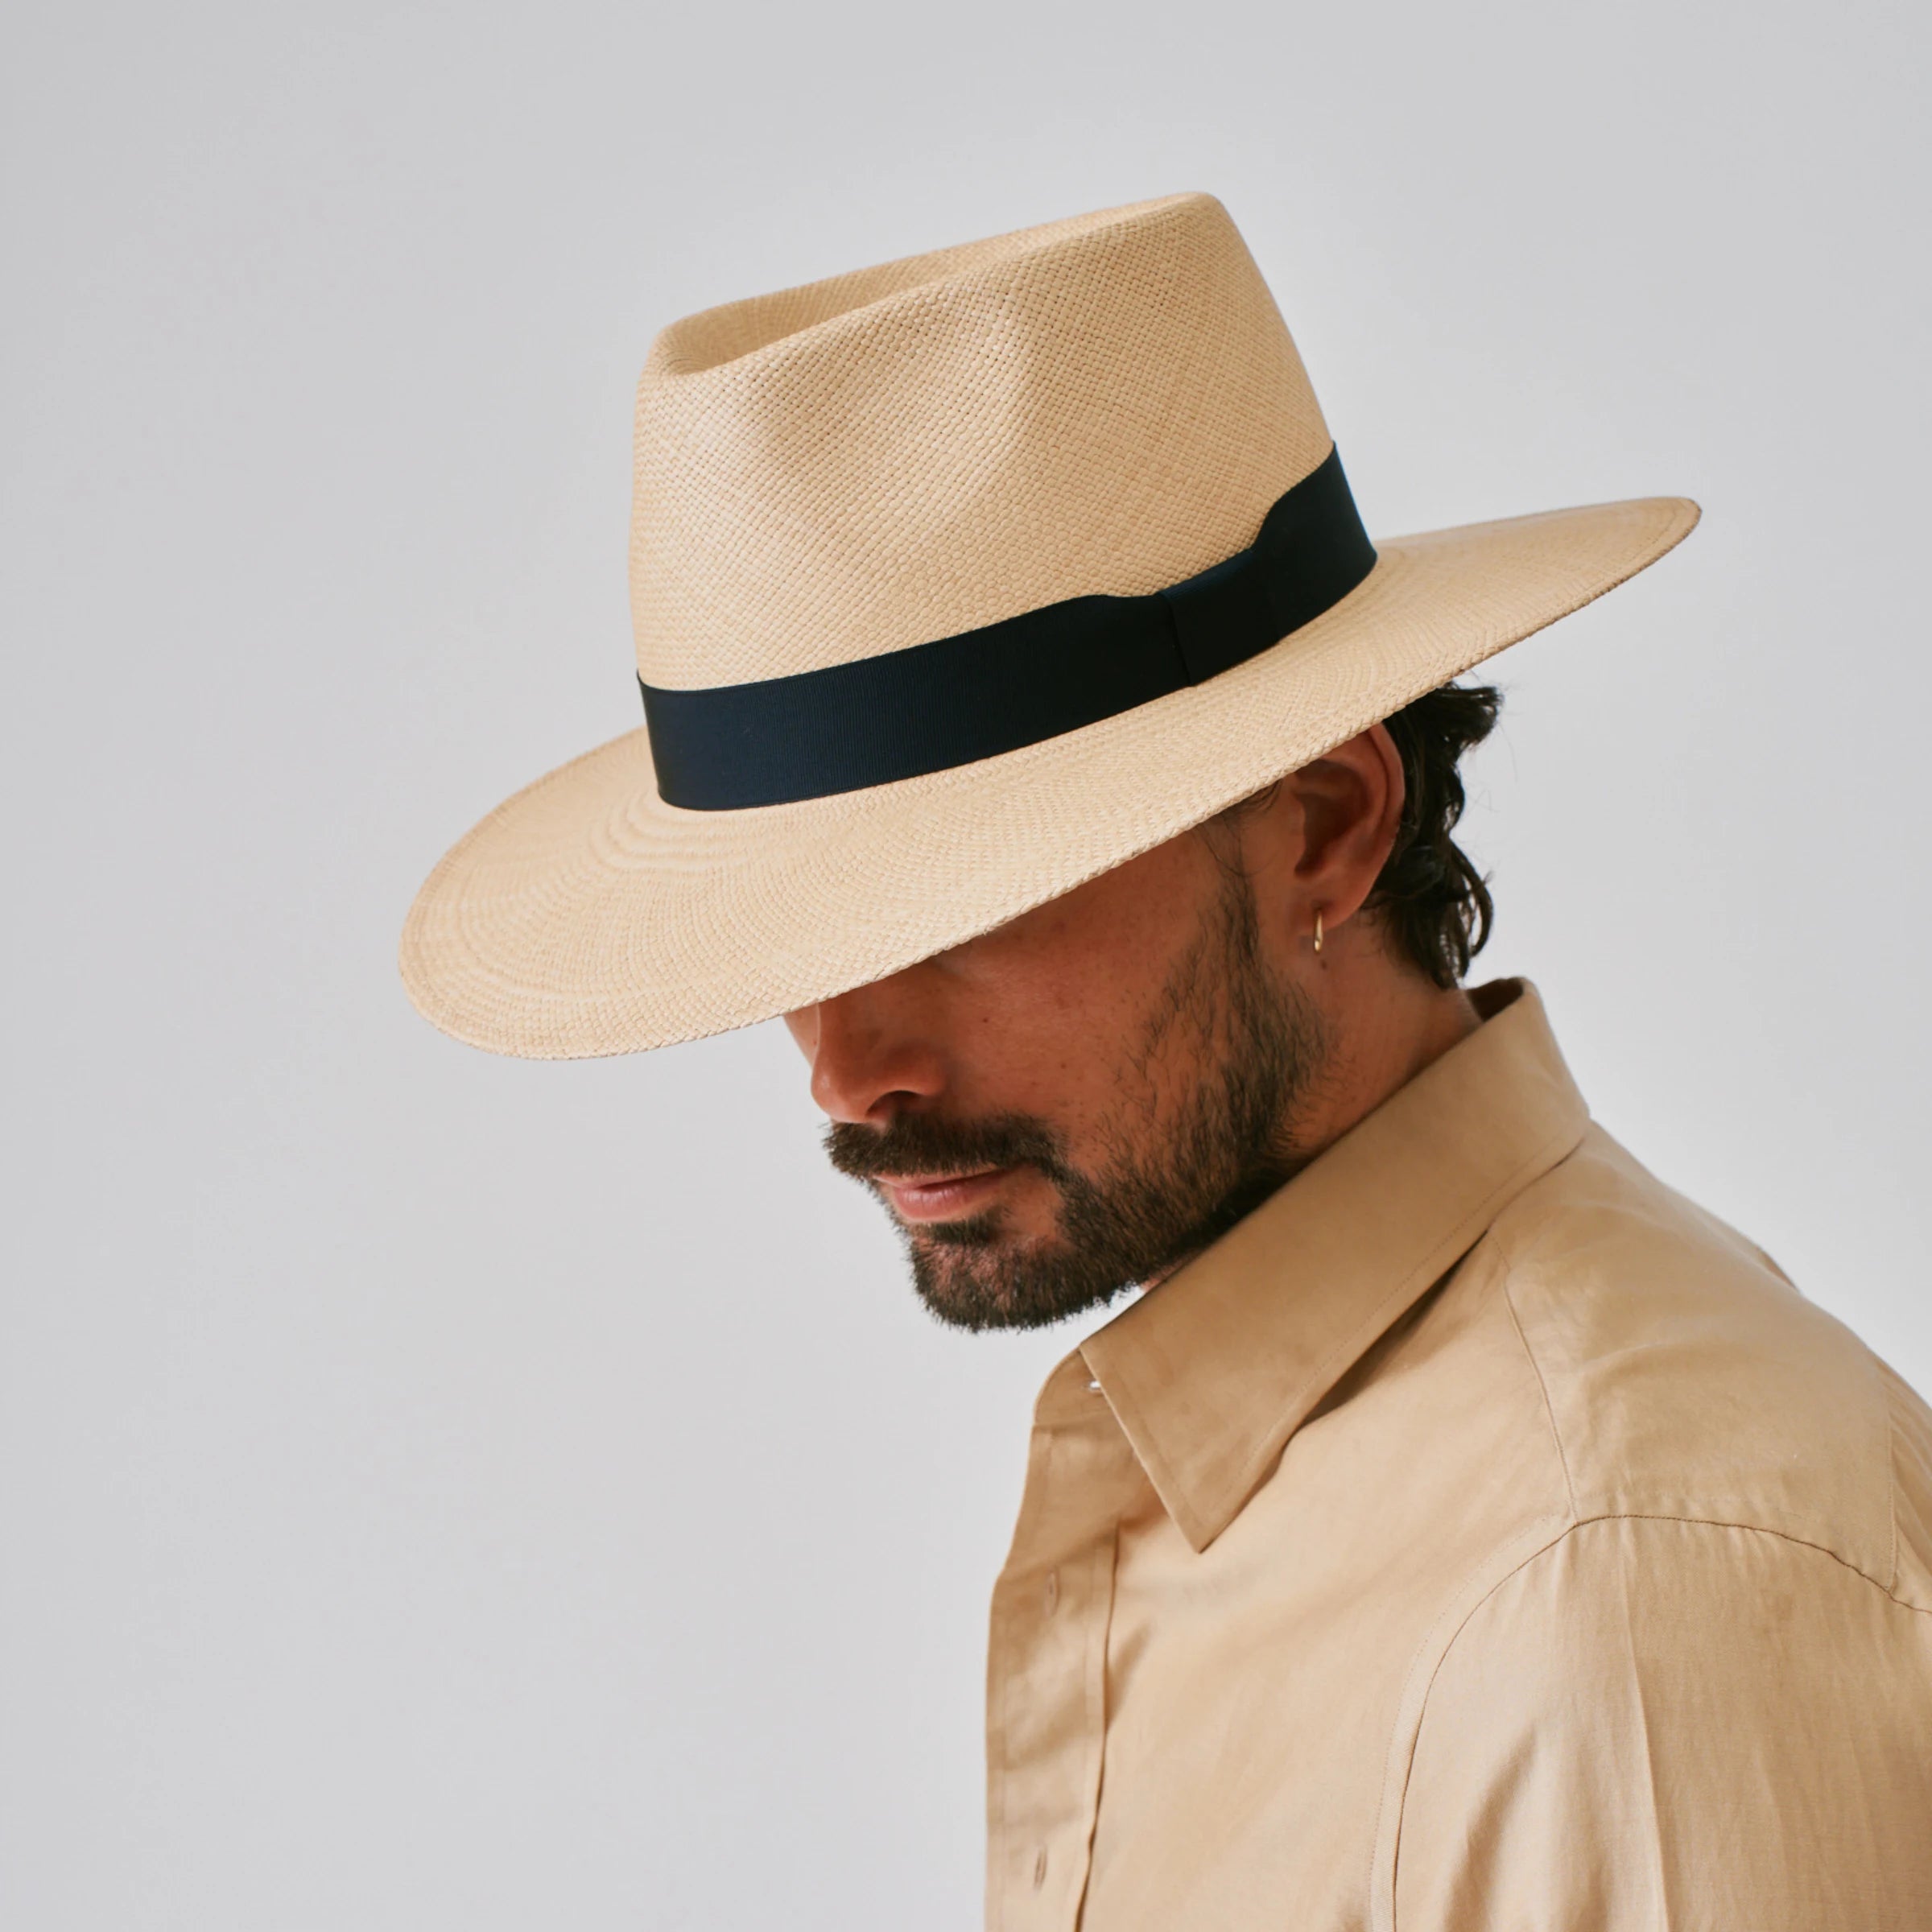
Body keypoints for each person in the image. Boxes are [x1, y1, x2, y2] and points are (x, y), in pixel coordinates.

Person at [402, 194, 1932, 1926]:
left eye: (949, 915)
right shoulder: (1314, 1485)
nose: (846, 1072)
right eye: (796, 949)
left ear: (1330, 827)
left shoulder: (1615, 1603)